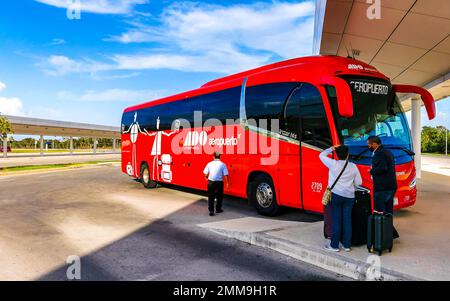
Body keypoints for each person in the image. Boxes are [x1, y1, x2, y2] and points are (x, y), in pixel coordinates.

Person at [320, 145, 362, 252]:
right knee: (347, 220)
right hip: (349, 197)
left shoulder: (333, 163)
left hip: (336, 195)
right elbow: (359, 183)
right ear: (348, 155)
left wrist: (331, 148)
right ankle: (347, 245)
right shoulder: (353, 166)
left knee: (336, 220)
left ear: (337, 155)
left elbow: (321, 155)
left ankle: (334, 246)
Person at [367, 136, 397, 214]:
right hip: (391, 186)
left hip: (382, 188)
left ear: (374, 144)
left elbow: (382, 168)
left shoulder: (378, 153)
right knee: (389, 210)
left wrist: (371, 171)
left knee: (380, 212)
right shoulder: (388, 151)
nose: (368, 146)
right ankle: (388, 225)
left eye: (369, 144)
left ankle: (382, 226)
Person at [203, 151, 230, 216]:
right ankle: (218, 209)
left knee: (211, 197)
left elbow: (205, 173)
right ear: (220, 156)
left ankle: (211, 211)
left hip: (211, 182)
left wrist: (206, 178)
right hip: (219, 183)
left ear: (213, 157)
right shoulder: (223, 164)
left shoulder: (209, 164)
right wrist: (227, 183)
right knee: (219, 197)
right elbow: (226, 175)